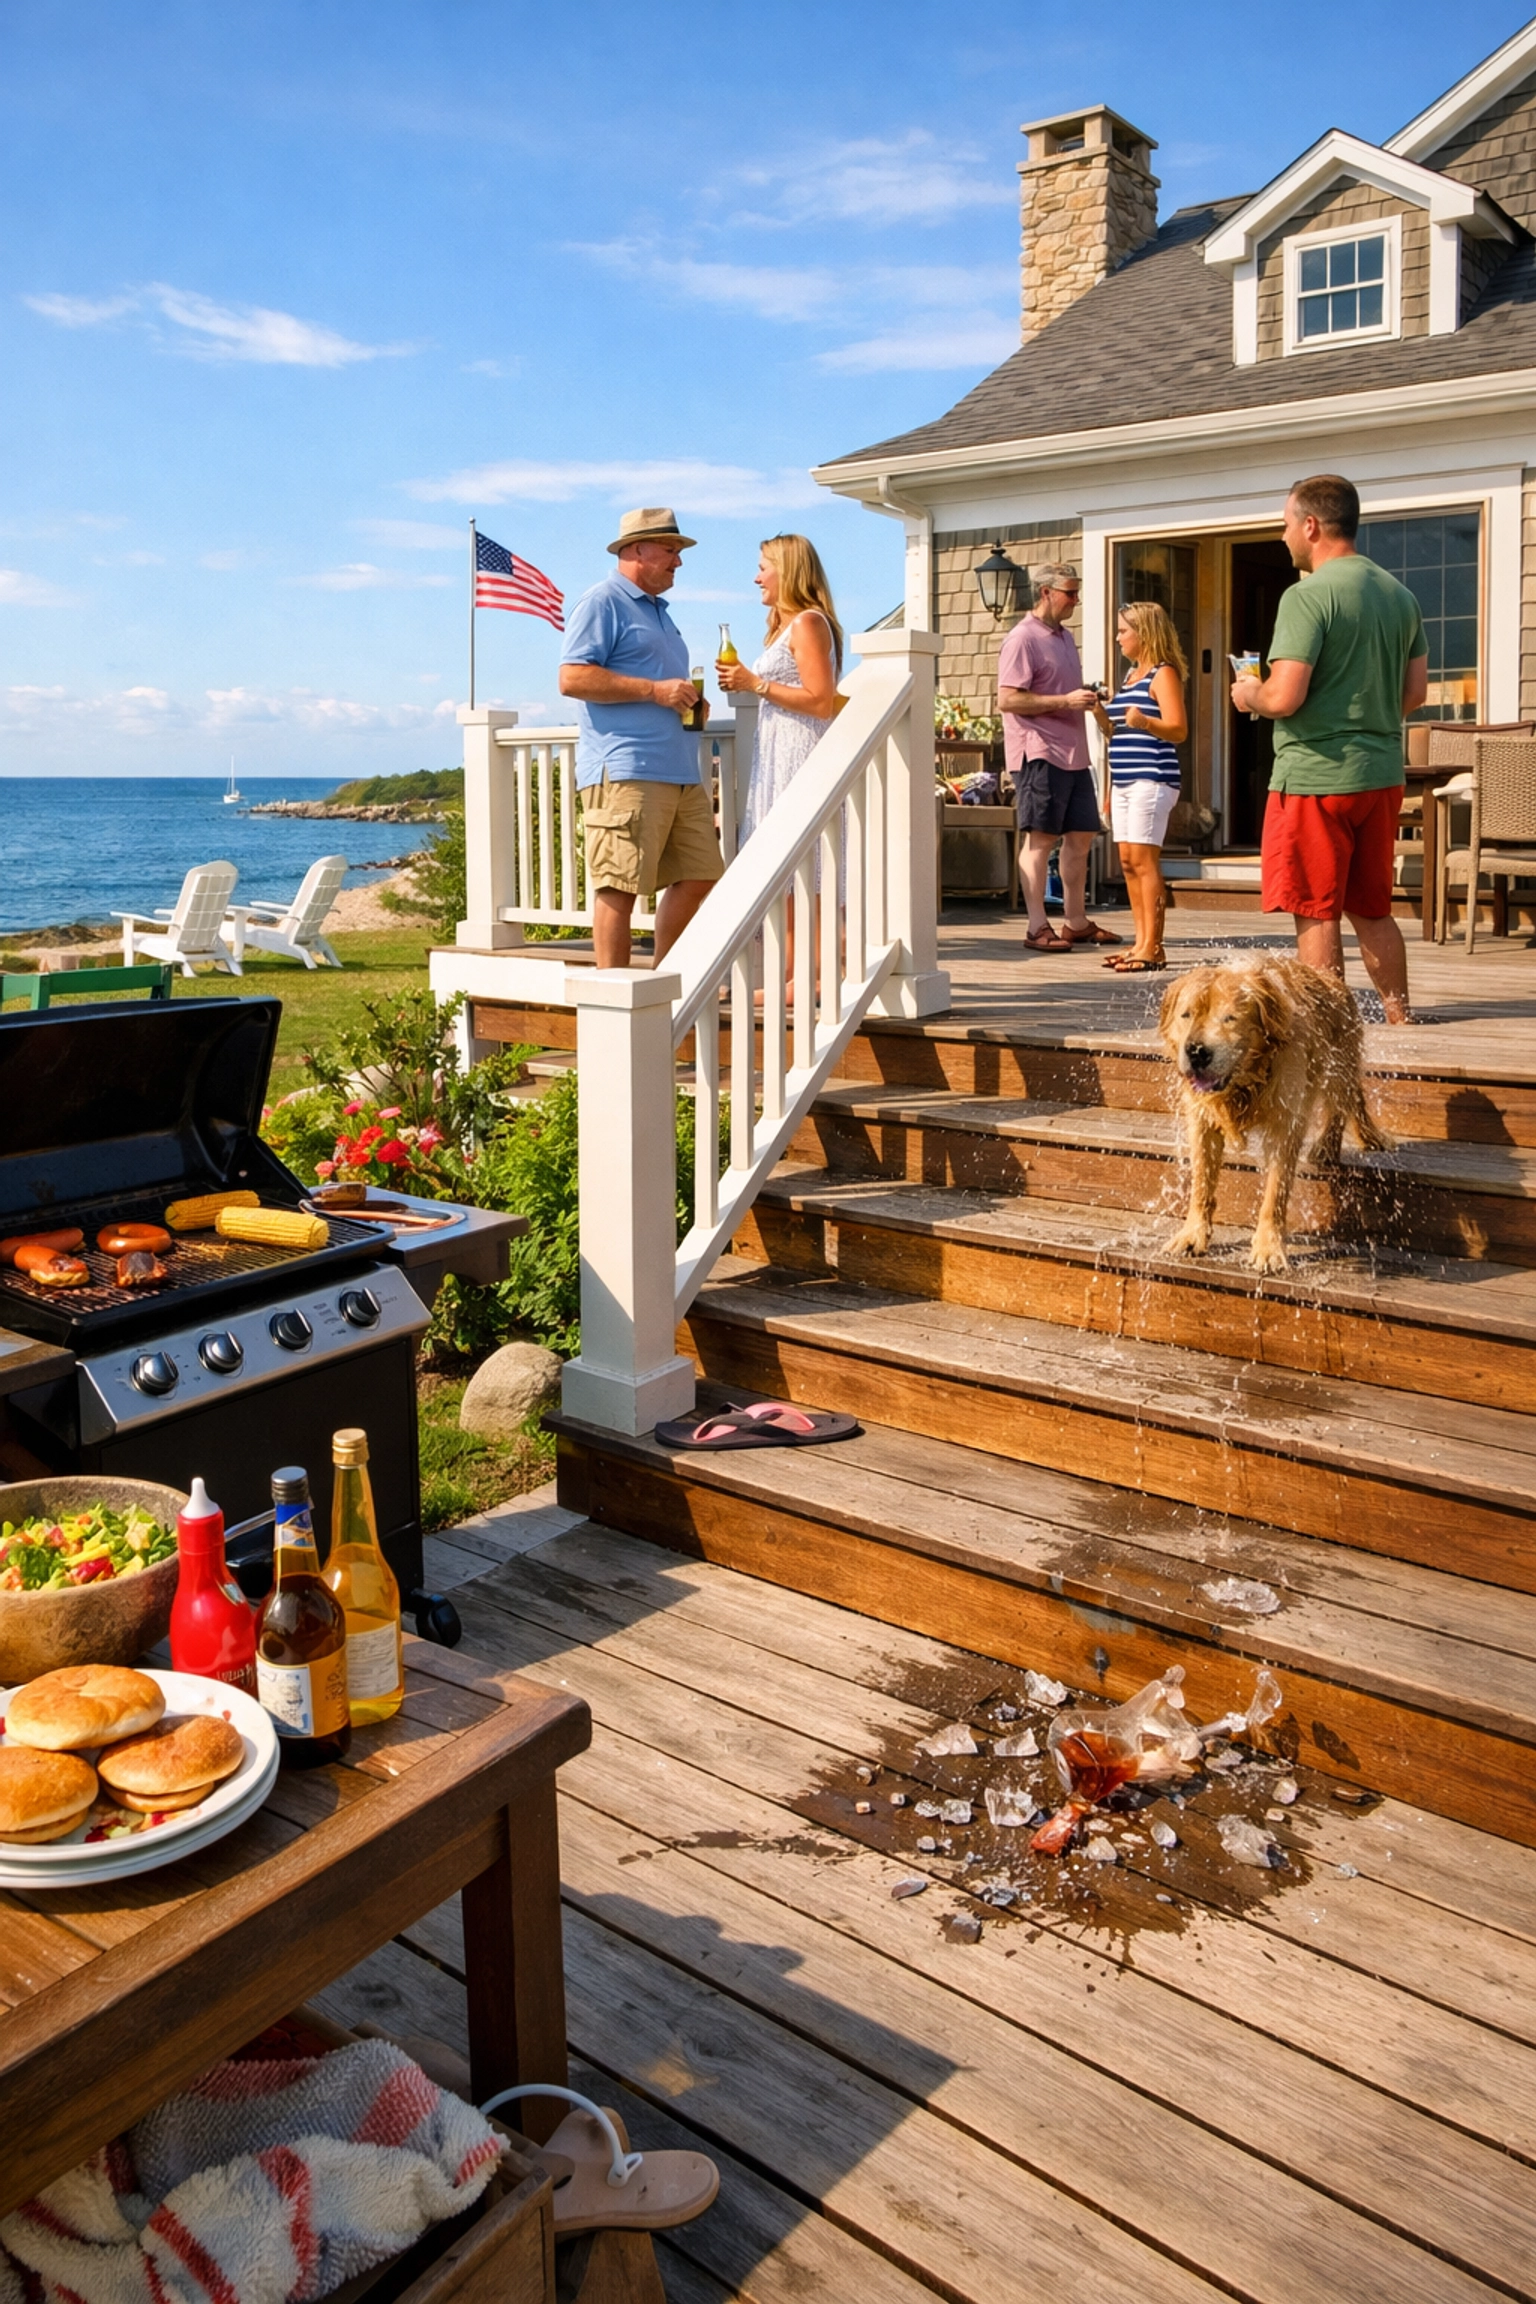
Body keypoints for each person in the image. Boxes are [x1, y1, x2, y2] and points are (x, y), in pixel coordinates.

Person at [1232, 474, 1427, 1026]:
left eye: (1287, 523)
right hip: (1381, 774)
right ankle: (1399, 1016)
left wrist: (1250, 692)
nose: (1284, 534)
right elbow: (1414, 694)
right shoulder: (1400, 595)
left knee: (1314, 911)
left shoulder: (1306, 595)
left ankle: (1327, 1030)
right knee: (1372, 909)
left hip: (1315, 777)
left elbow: (1284, 695)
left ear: (1311, 525)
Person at [558, 506, 723, 970]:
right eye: (670, 550)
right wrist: (655, 690)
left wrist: (687, 701)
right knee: (618, 887)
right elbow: (572, 678)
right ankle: (614, 1003)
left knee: (701, 877)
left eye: (677, 552)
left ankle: (666, 981)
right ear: (636, 549)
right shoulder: (602, 601)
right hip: (626, 769)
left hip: (678, 772)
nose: (678, 561)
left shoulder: (660, 613)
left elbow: (657, 684)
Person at [999, 562, 1121, 953]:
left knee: (1082, 836)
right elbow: (1008, 698)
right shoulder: (1022, 638)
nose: (1076, 599)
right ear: (1046, 592)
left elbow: (1055, 690)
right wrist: (1065, 701)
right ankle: (1037, 926)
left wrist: (1084, 696)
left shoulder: (1065, 638)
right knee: (1042, 839)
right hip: (1038, 753)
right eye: (1070, 592)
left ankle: (1075, 921)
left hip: (1073, 753)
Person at [716, 533, 843, 841]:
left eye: (763, 569)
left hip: (799, 752)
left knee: (803, 859)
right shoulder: (783, 628)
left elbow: (820, 701)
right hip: (775, 752)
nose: (756, 579)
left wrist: (754, 683)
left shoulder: (807, 623)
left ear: (786, 571)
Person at [1091, 601, 1189, 973]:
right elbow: (1116, 733)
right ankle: (1140, 943)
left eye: (1123, 631)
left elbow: (1178, 729)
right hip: (1125, 781)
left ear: (1144, 634)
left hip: (1153, 778)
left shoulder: (1163, 675)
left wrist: (1146, 720)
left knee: (1146, 863)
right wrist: (1102, 715)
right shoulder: (1131, 676)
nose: (1118, 638)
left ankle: (1155, 947)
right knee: (1129, 863)